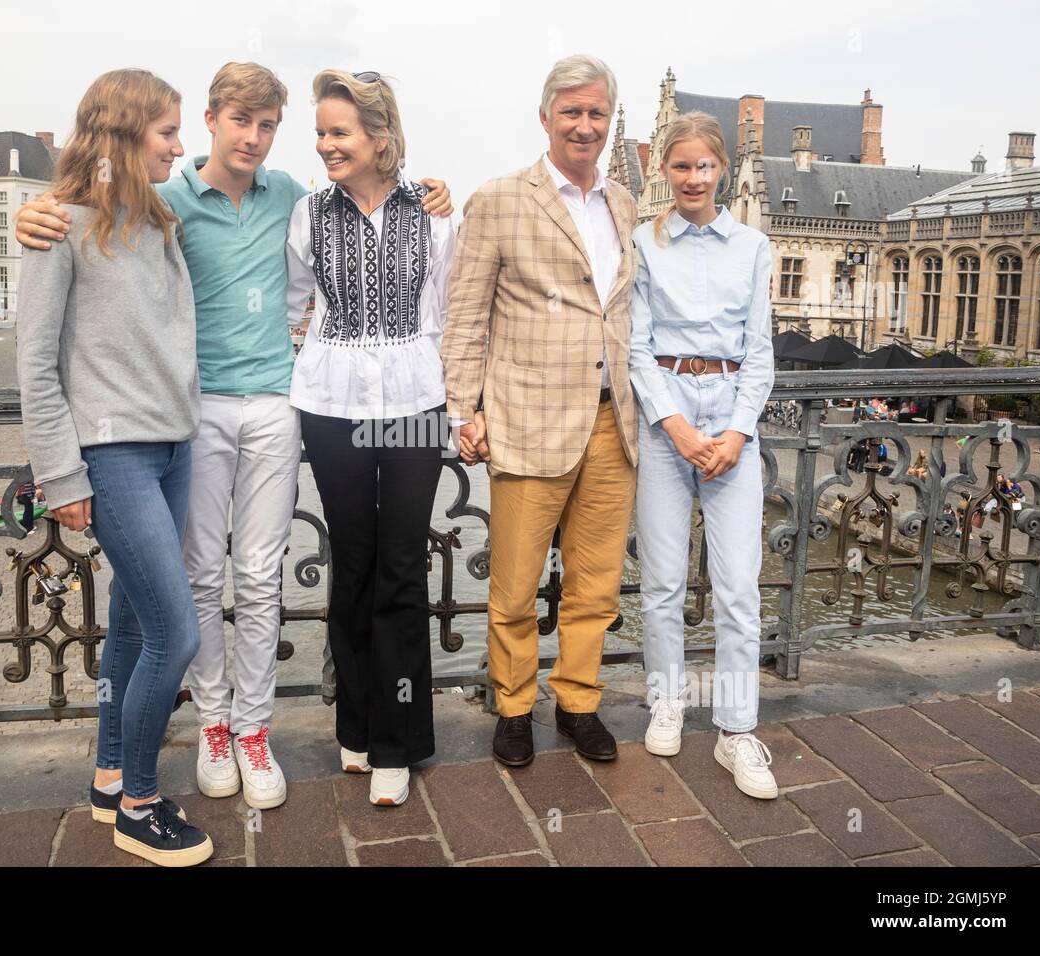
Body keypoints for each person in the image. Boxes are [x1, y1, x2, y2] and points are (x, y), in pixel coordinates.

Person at [15, 63, 452, 812]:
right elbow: (90, 204)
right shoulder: (165, 200)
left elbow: (358, 289)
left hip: (281, 405)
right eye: (238, 122)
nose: (255, 138)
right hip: (195, 411)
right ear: (213, 120)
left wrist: (433, 191)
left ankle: (255, 728)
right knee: (195, 579)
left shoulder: (293, 198)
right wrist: (33, 209)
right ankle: (212, 724)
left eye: (270, 125)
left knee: (258, 575)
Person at [15, 68, 212, 866]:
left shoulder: (159, 222)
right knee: (179, 631)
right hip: (113, 454)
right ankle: (139, 802)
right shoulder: (57, 226)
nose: (180, 144)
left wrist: (425, 189)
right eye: (167, 132)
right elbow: (33, 367)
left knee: (134, 622)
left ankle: (106, 778)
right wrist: (62, 477)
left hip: (174, 447)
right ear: (127, 134)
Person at [443, 55, 639, 768]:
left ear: (608, 120)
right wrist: (465, 407)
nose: (584, 125)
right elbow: (464, 316)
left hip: (615, 421)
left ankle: (579, 703)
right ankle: (515, 706)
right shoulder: (498, 199)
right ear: (546, 117)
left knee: (596, 586)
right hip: (527, 418)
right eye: (572, 112)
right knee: (516, 586)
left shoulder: (622, 201)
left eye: (596, 114)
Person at [285, 69, 455, 807]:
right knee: (351, 564)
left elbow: (447, 316)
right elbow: (293, 307)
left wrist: (465, 405)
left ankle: (400, 740)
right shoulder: (307, 214)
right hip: (331, 406)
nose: (325, 145)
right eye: (321, 132)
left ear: (380, 138)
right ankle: (354, 727)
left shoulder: (436, 214)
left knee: (401, 567)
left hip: (418, 402)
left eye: (339, 133)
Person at [629, 111, 779, 800]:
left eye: (704, 166)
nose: (693, 178)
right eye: (681, 166)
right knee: (660, 582)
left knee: (738, 586)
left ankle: (737, 729)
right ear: (664, 169)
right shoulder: (642, 243)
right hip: (667, 422)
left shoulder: (752, 246)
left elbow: (759, 350)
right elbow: (634, 345)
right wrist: (676, 426)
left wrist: (739, 431)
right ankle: (667, 701)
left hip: (731, 422)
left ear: (721, 169)